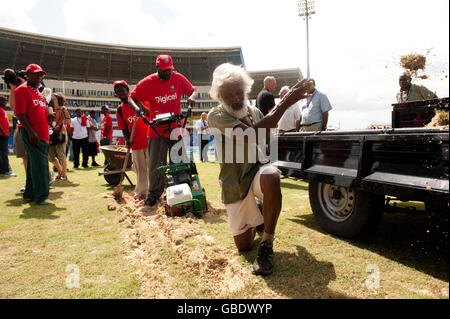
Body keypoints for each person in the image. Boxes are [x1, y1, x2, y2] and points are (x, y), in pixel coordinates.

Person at [207, 63, 314, 276]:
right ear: (220, 96)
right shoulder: (215, 115)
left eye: (239, 92)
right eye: (229, 95)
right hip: (234, 184)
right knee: (244, 246)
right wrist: (286, 102)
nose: (236, 98)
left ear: (246, 90)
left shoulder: (253, 111)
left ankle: (267, 242)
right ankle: (258, 210)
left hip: (256, 173)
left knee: (272, 176)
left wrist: (284, 104)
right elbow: (251, 135)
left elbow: (266, 134)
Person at [128, 54, 197, 207]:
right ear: (157, 67)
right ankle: (154, 194)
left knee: (179, 161)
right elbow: (131, 98)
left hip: (176, 128)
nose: (167, 73)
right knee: (155, 165)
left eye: (169, 70)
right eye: (164, 70)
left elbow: (193, 91)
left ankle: (180, 189)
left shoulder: (178, 78)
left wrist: (191, 98)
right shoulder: (148, 82)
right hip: (156, 130)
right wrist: (136, 109)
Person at [14, 64, 50, 205]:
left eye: (41, 74)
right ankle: (41, 196)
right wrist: (31, 132)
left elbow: (39, 113)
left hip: (43, 134)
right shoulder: (21, 90)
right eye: (36, 74)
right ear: (28, 75)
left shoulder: (38, 93)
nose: (40, 77)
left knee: (33, 166)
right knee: (41, 166)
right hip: (33, 133)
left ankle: (29, 194)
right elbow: (20, 114)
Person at [114, 80, 149, 200]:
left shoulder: (139, 102)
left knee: (152, 168)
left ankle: (155, 191)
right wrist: (128, 139)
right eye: (118, 91)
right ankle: (141, 192)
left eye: (123, 90)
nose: (121, 93)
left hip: (150, 140)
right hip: (136, 143)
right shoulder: (119, 110)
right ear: (116, 94)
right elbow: (124, 128)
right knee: (140, 169)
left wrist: (143, 108)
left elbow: (151, 114)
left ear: (128, 91)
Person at [48, 92, 71, 180]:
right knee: (51, 156)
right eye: (52, 98)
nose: (52, 100)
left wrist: (66, 115)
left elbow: (69, 122)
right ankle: (61, 171)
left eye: (54, 99)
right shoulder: (50, 109)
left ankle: (63, 175)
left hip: (60, 133)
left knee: (61, 154)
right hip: (51, 133)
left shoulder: (62, 109)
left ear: (59, 100)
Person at [0, 96, 16, 177]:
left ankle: (2, 170)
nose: (6, 101)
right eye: (4, 100)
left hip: (3, 135)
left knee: (2, 153)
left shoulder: (2, 110)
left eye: (6, 100)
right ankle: (6, 170)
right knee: (4, 153)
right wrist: (4, 132)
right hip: (1, 135)